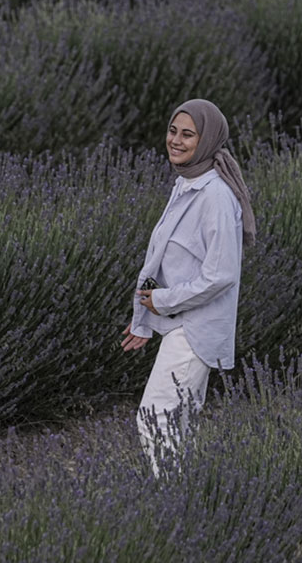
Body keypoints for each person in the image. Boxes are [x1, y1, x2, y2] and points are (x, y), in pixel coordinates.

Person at [120, 99, 256, 473]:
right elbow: (163, 261)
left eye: (188, 135)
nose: (176, 141)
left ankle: (168, 509)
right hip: (180, 323)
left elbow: (220, 275)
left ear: (208, 139)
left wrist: (160, 302)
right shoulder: (187, 184)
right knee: (176, 425)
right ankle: (187, 506)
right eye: (172, 131)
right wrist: (144, 319)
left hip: (195, 330)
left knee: (155, 418)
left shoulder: (214, 196)